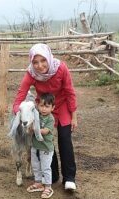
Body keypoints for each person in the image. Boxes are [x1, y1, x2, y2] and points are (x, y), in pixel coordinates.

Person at [13, 43, 78, 191]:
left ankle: (69, 178)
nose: (39, 65)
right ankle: (52, 174)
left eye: (43, 60)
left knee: (64, 138)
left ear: (49, 58)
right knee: (46, 141)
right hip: (44, 109)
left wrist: (74, 116)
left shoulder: (61, 68)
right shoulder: (31, 74)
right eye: (35, 62)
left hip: (62, 107)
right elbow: (20, 96)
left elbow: (70, 92)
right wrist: (19, 113)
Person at [26, 93, 55, 199]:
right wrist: (29, 128)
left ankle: (48, 186)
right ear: (38, 105)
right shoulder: (36, 116)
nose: (43, 109)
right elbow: (30, 128)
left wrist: (34, 129)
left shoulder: (50, 119)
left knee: (46, 168)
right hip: (35, 147)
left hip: (46, 148)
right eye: (42, 106)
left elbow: (45, 131)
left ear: (52, 108)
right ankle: (38, 183)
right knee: (36, 166)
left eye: (47, 106)